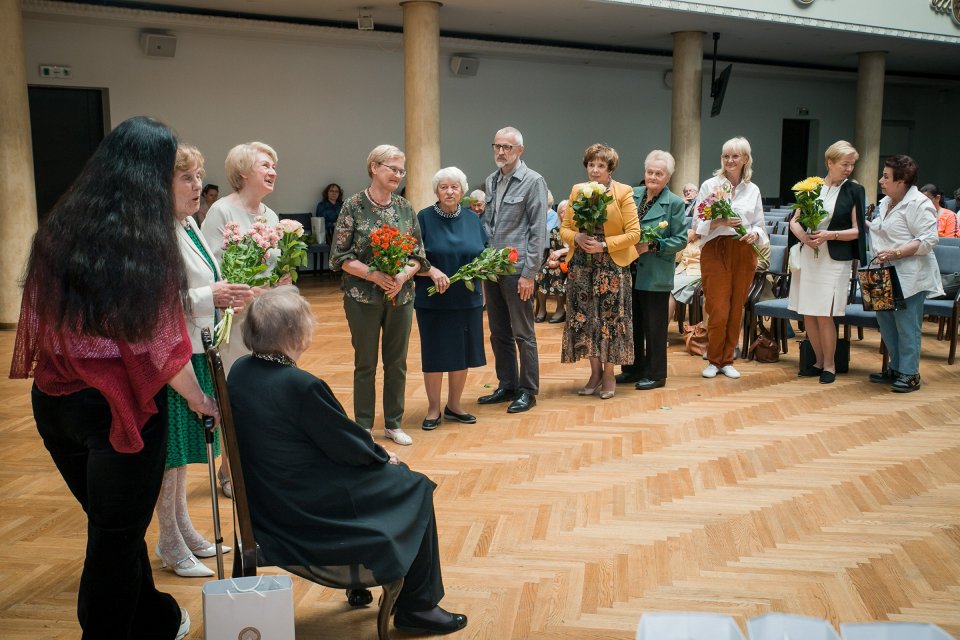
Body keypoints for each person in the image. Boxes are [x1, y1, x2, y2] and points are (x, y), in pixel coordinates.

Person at [10, 116, 219, 640]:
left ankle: (152, 616)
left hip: (56, 404)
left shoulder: (61, 225)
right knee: (113, 539)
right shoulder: (142, 240)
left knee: (114, 532)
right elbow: (156, 343)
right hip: (117, 413)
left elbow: (39, 316)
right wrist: (201, 401)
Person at [227, 286, 468, 636]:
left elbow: (331, 438)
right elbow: (346, 446)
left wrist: (369, 452)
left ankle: (384, 585)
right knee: (413, 485)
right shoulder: (299, 385)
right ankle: (419, 607)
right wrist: (384, 455)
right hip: (303, 507)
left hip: (267, 498)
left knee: (394, 478)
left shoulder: (241, 370)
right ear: (295, 334)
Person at [154, 144, 252, 578]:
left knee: (181, 454)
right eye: (187, 178)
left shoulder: (187, 223)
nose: (198, 186)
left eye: (199, 177)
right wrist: (207, 296)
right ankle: (169, 541)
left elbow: (201, 278)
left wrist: (222, 292)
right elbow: (152, 305)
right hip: (172, 356)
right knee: (170, 456)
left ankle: (185, 529)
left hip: (195, 347)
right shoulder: (155, 231)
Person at [330, 145, 428, 445]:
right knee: (366, 362)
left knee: (397, 362)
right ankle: (362, 425)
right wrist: (373, 274)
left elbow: (418, 255)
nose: (398, 175)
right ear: (374, 167)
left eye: (402, 170)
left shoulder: (404, 207)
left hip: (401, 295)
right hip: (362, 297)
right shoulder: (353, 206)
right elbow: (340, 257)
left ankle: (394, 423)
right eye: (393, 168)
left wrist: (402, 275)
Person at [560, 143, 641, 399]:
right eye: (591, 165)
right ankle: (594, 373)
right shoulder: (577, 191)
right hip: (582, 267)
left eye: (600, 166)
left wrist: (604, 245)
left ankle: (608, 374)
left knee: (610, 321)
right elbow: (564, 228)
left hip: (611, 268)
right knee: (585, 319)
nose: (594, 171)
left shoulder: (623, 192)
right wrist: (576, 238)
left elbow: (634, 234)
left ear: (610, 169)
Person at [478, 126, 548, 413]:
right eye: (497, 146)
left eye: (507, 147)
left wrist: (529, 273)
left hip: (518, 270)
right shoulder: (490, 180)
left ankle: (527, 390)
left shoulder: (533, 181)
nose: (501, 151)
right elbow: (489, 225)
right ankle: (506, 384)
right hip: (492, 270)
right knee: (498, 332)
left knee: (523, 332)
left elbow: (538, 230)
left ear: (520, 150)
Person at [787, 140, 867, 384]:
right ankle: (817, 361)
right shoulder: (811, 187)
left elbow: (857, 231)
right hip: (810, 256)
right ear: (829, 162)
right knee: (809, 313)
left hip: (834, 260)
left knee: (825, 314)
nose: (849, 169)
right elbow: (794, 220)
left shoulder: (854, 190)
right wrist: (804, 237)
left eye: (852, 164)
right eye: (844, 164)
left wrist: (829, 235)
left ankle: (830, 365)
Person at [414, 167, 487, 430]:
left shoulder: (471, 218)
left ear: (462, 191)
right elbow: (412, 257)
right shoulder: (423, 218)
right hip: (432, 300)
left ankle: (454, 405)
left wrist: (483, 269)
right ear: (436, 190)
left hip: (467, 298)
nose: (449, 191)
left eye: (454, 187)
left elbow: (484, 252)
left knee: (462, 353)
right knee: (435, 353)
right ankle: (433, 409)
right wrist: (430, 271)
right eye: (444, 187)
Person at [201, 141, 283, 372]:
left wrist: (280, 278)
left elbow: (272, 265)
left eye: (274, 167)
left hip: (266, 314)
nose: (273, 172)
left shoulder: (272, 216)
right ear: (243, 171)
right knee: (238, 377)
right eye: (265, 165)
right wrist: (247, 292)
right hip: (234, 316)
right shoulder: (222, 210)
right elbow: (210, 269)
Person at [868, 155, 943, 392]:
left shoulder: (919, 204)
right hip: (883, 273)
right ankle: (896, 367)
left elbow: (929, 239)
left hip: (910, 275)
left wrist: (896, 253)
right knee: (887, 324)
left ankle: (910, 374)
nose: (881, 180)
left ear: (902, 181)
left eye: (886, 177)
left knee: (907, 326)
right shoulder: (886, 201)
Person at [615, 150, 688, 390]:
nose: (653, 176)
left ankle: (657, 374)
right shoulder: (632, 194)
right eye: (650, 172)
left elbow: (680, 239)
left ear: (667, 177)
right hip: (628, 270)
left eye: (659, 173)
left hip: (655, 272)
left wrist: (653, 245)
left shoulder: (674, 203)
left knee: (654, 326)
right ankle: (633, 368)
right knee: (631, 322)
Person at [696, 136, 767, 379]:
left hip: (743, 251)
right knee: (718, 308)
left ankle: (727, 360)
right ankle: (713, 359)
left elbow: (760, 225)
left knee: (736, 307)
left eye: (735, 156)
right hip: (716, 250)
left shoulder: (753, 189)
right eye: (726, 156)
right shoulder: (709, 185)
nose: (730, 160)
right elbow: (698, 225)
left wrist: (754, 235)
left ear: (745, 159)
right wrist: (721, 222)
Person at [535, 199, 569, 324]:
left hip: (570, 261)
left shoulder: (577, 230)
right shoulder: (555, 231)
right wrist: (550, 261)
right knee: (542, 271)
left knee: (557, 273)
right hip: (556, 260)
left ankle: (560, 309)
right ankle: (542, 310)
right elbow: (552, 250)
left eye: (566, 211)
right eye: (561, 212)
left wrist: (561, 253)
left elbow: (575, 249)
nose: (563, 214)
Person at [667, 228, 702, 329]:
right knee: (662, 286)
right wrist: (690, 237)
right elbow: (676, 257)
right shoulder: (688, 233)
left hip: (698, 272)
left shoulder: (713, 236)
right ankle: (656, 335)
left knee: (669, 289)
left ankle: (660, 335)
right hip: (680, 271)